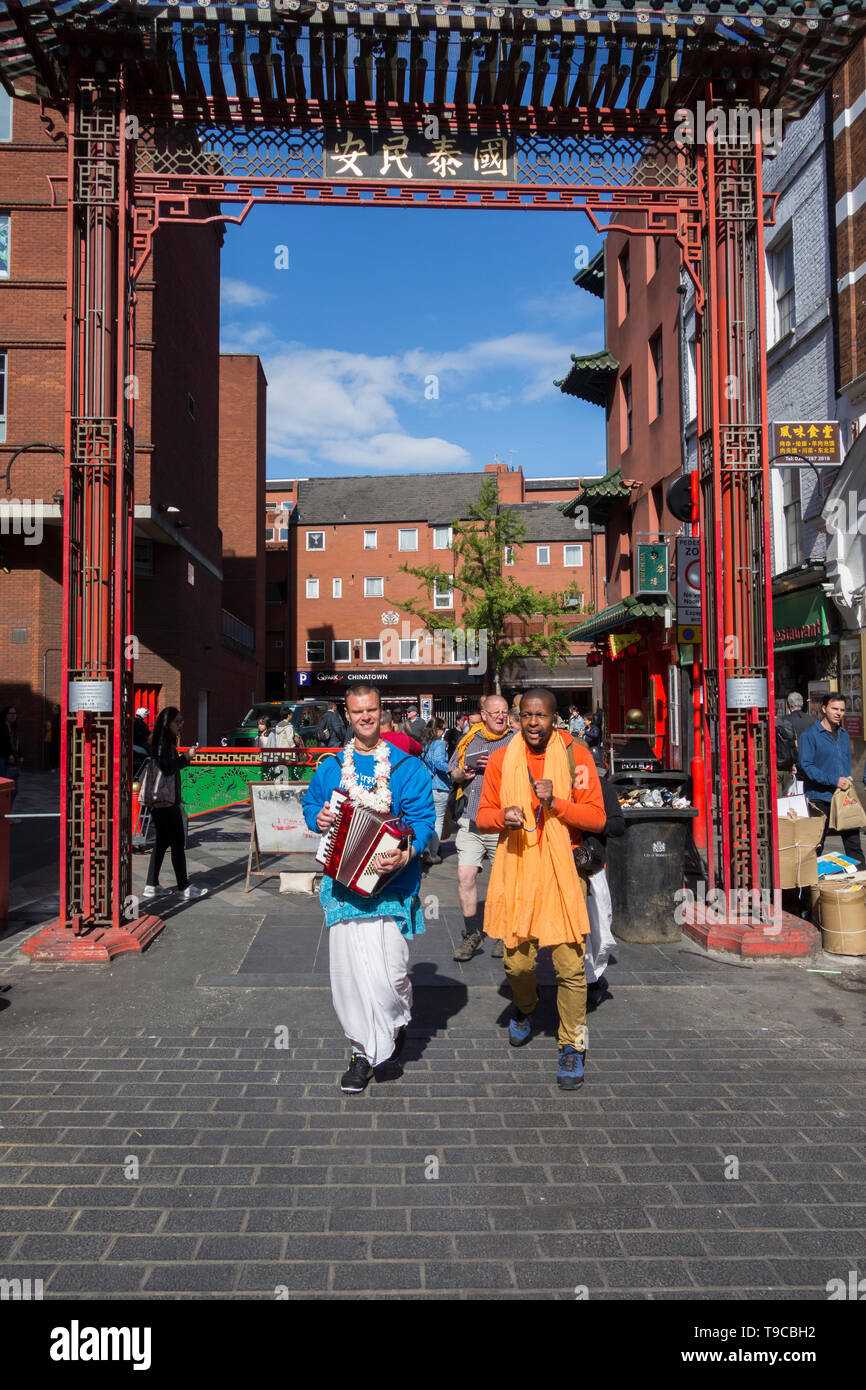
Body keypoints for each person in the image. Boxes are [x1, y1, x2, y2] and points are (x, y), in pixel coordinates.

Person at [302, 683, 435, 1094]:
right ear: (347, 714)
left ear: (382, 713)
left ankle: (395, 1025)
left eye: (372, 711)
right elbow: (311, 808)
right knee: (349, 977)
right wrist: (319, 819)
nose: (365, 718)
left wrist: (405, 853)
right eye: (358, 712)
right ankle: (362, 1052)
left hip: (392, 886)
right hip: (343, 888)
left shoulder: (405, 768)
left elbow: (425, 822)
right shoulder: (329, 768)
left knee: (390, 976)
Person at [476, 687, 606, 1091]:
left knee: (570, 967)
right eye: (527, 715)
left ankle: (574, 1046)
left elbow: (598, 818)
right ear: (516, 718)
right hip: (517, 866)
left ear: (555, 719)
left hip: (564, 869)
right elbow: (481, 817)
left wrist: (558, 804)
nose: (534, 723)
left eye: (542, 716)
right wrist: (503, 817)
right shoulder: (500, 759)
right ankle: (527, 1007)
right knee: (517, 963)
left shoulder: (576, 755)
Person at [448, 693, 515, 961]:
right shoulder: (469, 739)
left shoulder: (516, 741)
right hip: (472, 819)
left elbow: (528, 774)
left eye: (504, 711)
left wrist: (499, 766)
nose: (501, 716)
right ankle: (472, 934)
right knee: (465, 876)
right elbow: (452, 771)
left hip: (502, 823)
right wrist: (462, 773)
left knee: (506, 881)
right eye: (495, 712)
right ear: (484, 715)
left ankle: (505, 934)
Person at [143, 707, 208, 899]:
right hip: (166, 801)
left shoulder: (159, 742)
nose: (181, 725)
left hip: (158, 801)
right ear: (167, 723)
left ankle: (151, 884)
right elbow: (168, 768)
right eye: (177, 722)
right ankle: (183, 887)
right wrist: (186, 758)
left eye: (181, 722)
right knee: (178, 841)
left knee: (162, 842)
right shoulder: (164, 744)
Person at [797, 691, 866, 870]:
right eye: (834, 709)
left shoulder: (843, 734)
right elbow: (806, 766)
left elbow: (844, 763)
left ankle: (859, 890)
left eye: (842, 710)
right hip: (819, 798)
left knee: (854, 847)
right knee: (815, 847)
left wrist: (846, 784)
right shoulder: (810, 735)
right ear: (824, 709)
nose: (838, 713)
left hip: (843, 798)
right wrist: (833, 780)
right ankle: (808, 892)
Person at [576, 755, 624, 1001]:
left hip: (590, 866)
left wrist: (593, 822)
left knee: (597, 926)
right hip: (559, 867)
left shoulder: (601, 787)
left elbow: (617, 825)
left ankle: (592, 978)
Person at [421, 717, 451, 866]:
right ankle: (433, 853)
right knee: (438, 820)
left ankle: (425, 847)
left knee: (428, 819)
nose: (444, 732)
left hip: (426, 786)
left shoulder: (425, 744)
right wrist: (452, 769)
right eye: (443, 729)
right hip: (439, 786)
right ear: (438, 730)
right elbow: (440, 763)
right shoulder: (439, 743)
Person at [776, 691, 815, 790]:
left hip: (791, 764)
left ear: (789, 704)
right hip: (811, 763)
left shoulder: (783, 721)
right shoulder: (813, 721)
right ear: (802, 704)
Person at [0, 706, 21, 806]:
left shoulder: (13, 728)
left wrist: (21, 755)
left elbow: (17, 744)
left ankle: (6, 815)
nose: (13, 716)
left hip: (13, 764)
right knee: (4, 790)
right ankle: (3, 817)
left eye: (15, 713)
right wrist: (8, 754)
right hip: (2, 761)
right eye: (10, 713)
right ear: (5, 715)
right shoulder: (1, 727)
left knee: (14, 790)